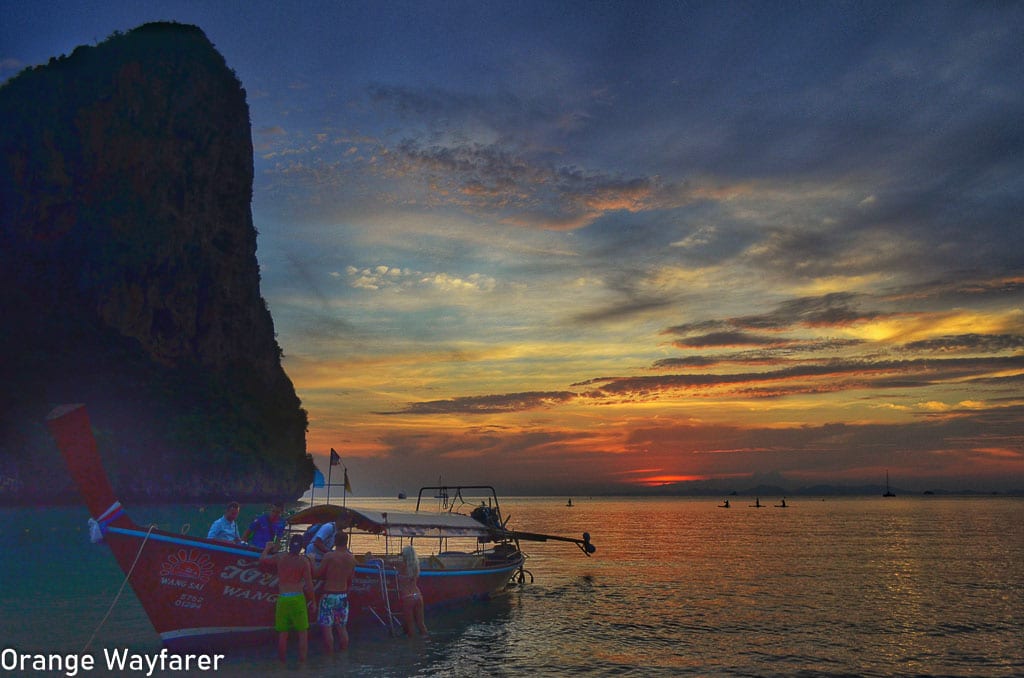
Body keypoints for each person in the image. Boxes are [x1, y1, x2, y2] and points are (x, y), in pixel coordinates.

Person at [261, 535, 315, 662]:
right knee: (302, 633)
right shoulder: (304, 561)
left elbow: (263, 559)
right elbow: (309, 584)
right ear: (301, 547)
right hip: (297, 597)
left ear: (290, 545)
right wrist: (313, 601)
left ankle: (282, 665)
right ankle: (302, 666)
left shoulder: (280, 557)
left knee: (283, 634)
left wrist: (267, 548)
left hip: (283, 597)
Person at [314, 525, 356, 653]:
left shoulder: (329, 556)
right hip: (342, 596)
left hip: (329, 595)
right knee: (342, 628)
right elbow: (350, 579)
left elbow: (317, 573)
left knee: (327, 628)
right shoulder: (351, 559)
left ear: (334, 541)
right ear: (346, 542)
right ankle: (343, 655)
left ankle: (330, 656)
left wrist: (310, 561)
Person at [397, 544, 428, 637]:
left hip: (407, 597)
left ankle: (412, 648)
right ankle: (425, 643)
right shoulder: (416, 566)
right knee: (421, 624)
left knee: (410, 626)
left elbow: (391, 563)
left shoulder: (402, 566)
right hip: (418, 596)